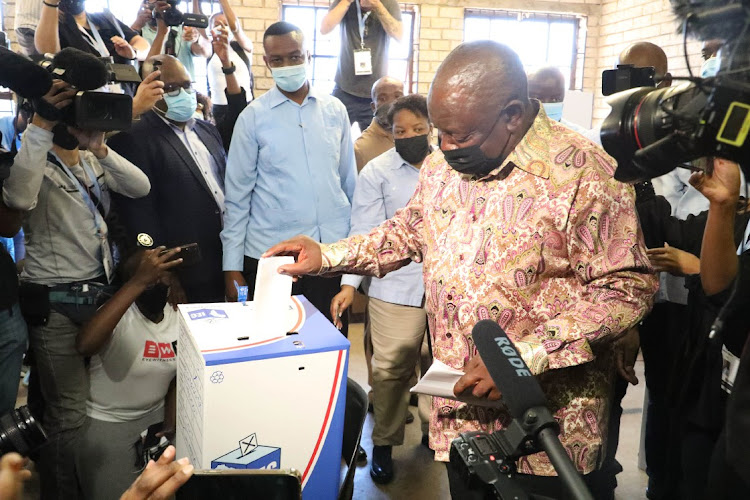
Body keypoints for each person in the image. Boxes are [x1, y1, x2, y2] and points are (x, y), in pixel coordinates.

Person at [265, 41, 657, 499]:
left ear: (512, 114)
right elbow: (408, 231)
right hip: (462, 427)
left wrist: (522, 359)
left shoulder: (585, 173)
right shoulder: (442, 167)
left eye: (460, 136)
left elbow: (626, 288)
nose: (445, 148)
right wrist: (327, 255)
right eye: (441, 134)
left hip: (550, 438)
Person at [2, 80, 151, 500]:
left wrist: (99, 147)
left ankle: (78, 482)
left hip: (97, 295)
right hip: (54, 304)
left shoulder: (90, 159)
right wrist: (41, 128)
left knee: (81, 407)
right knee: (69, 414)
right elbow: (17, 197)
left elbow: (140, 186)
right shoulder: (35, 161)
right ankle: (63, 492)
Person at [221, 21, 356, 334]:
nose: (287, 65)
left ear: (307, 55)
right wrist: (232, 266)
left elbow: (350, 185)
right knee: (281, 349)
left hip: (331, 255)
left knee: (329, 347)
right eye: (277, 60)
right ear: (267, 63)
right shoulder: (253, 118)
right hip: (276, 261)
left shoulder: (335, 110)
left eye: (294, 56)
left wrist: (352, 263)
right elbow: (237, 198)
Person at [330, 94, 431, 484]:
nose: (410, 136)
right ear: (390, 132)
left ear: (431, 128)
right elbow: (365, 231)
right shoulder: (378, 172)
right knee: (390, 373)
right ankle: (385, 444)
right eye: (401, 130)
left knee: (441, 366)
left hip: (444, 289)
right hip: (395, 288)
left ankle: (434, 436)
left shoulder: (449, 167)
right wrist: (349, 284)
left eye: (418, 129)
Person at [108, 55, 228, 304]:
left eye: (186, 85)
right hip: (184, 270)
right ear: (150, 88)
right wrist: (165, 273)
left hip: (225, 259)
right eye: (171, 88)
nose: (183, 93)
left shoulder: (207, 130)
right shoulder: (133, 138)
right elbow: (137, 214)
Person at [75, 246, 183, 500]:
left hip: (154, 423)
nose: (155, 282)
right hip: (109, 424)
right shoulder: (118, 314)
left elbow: (180, 373)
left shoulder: (176, 312)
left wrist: (170, 417)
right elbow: (84, 345)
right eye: (147, 277)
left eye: (161, 275)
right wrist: (139, 281)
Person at [35, 0, 151, 96]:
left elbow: (144, 47)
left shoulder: (105, 19)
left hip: (124, 96)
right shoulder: (56, 26)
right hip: (85, 100)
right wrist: (51, 3)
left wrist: (133, 52)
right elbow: (48, 52)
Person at [321, 0, 403, 133]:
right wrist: (346, 2)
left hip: (377, 95)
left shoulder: (388, 3)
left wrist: (377, 5)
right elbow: (324, 28)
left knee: (378, 144)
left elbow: (398, 34)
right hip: (344, 89)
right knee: (331, 137)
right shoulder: (345, 3)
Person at [132, 0, 211, 82]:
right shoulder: (139, 31)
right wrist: (137, 25)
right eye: (156, 4)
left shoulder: (183, 27)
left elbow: (206, 52)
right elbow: (127, 53)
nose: (161, 10)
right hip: (152, 87)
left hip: (183, 88)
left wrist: (197, 39)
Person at [207, 0, 255, 126]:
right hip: (219, 107)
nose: (222, 27)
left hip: (245, 104)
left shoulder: (243, 47)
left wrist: (224, 2)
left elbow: (235, 28)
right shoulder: (209, 48)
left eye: (225, 23)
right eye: (217, 24)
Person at [354, 76, 404, 171]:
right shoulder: (361, 149)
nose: (391, 103)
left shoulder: (415, 137)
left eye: (397, 96)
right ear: (373, 107)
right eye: (383, 98)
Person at [526, 66, 588, 134]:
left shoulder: (579, 137)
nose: (547, 104)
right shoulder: (514, 136)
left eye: (555, 99)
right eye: (538, 98)